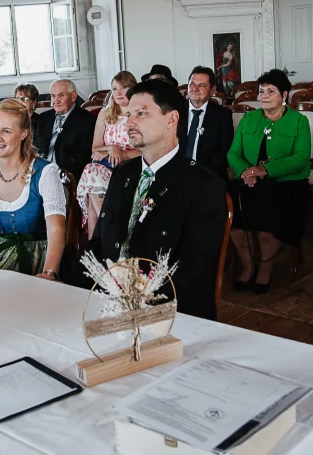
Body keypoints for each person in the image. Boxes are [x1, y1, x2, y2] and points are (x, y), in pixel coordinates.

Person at [84, 80, 227, 320]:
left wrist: (133, 301)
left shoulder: (203, 186)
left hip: (168, 315)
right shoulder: (123, 174)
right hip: (109, 305)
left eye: (141, 113)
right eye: (129, 114)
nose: (129, 122)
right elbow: (100, 244)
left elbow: (193, 272)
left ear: (172, 120)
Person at [227, 69, 311, 294]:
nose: (263, 95)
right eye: (261, 91)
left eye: (270, 91)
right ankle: (248, 267)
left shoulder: (298, 121)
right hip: (249, 180)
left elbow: (301, 158)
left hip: (287, 184)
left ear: (284, 95)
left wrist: (264, 170)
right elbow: (233, 153)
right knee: (233, 218)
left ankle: (265, 271)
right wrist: (247, 171)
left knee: (266, 228)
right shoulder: (249, 118)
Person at [0, 99, 66, 278]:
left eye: (6, 131)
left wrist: (49, 273)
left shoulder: (45, 173)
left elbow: (56, 231)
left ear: (24, 133)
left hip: (38, 259)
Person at [76, 71, 141, 237]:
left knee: (92, 196)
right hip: (106, 165)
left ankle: (96, 242)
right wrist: (111, 148)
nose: (118, 93)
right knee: (91, 171)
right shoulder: (105, 113)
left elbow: (145, 150)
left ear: (133, 89)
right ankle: (108, 229)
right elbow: (95, 149)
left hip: (132, 164)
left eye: (123, 88)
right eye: (114, 89)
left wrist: (121, 154)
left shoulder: (140, 113)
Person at [36, 78, 97, 182]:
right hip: (40, 172)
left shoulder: (87, 120)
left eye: (61, 95)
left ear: (73, 96)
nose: (56, 101)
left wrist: (57, 173)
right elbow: (37, 148)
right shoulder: (43, 118)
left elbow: (83, 157)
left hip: (67, 176)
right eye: (53, 96)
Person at [180, 66, 234, 179]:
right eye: (192, 84)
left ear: (213, 90)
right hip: (177, 173)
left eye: (202, 85)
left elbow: (223, 153)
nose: (195, 88)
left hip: (209, 175)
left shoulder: (223, 115)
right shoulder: (174, 112)